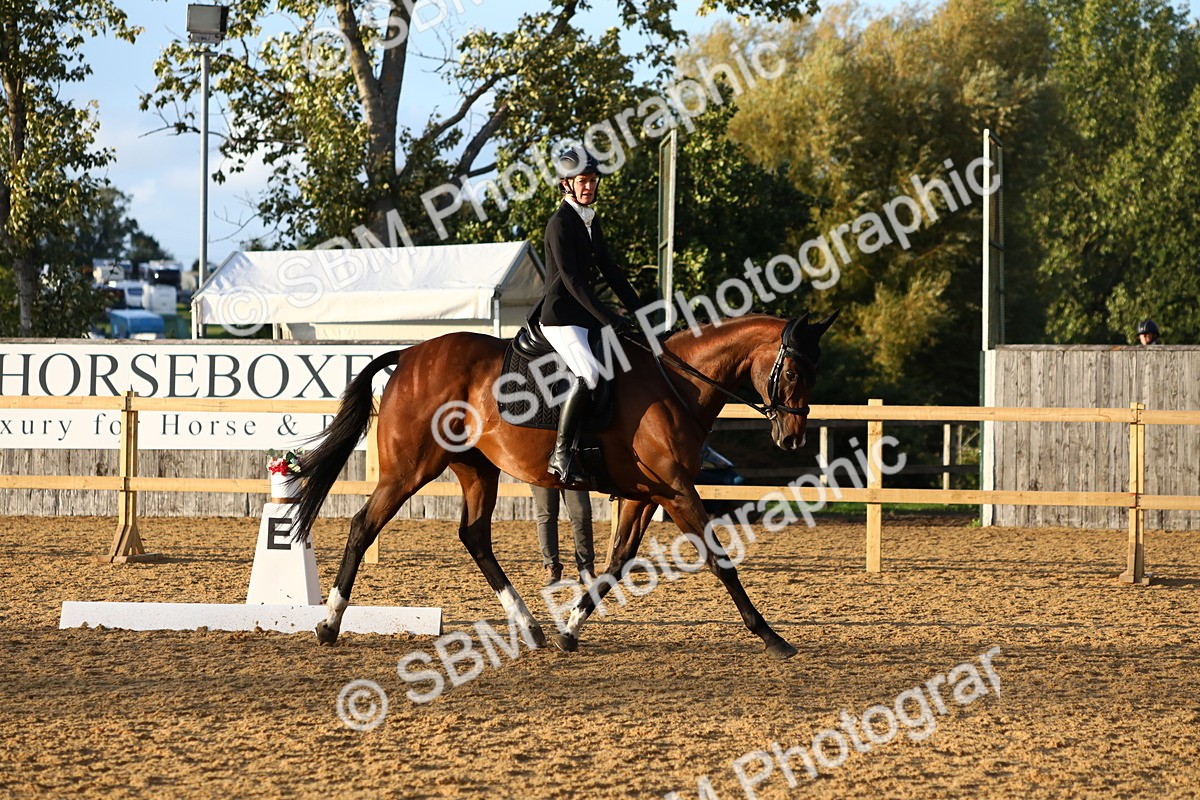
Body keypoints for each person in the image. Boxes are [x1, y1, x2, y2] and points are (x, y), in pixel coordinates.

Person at [535, 146, 644, 483]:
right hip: (560, 316)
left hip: (583, 316)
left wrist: (642, 312)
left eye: (593, 181)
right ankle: (561, 454)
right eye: (583, 181)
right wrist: (609, 317)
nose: (590, 187)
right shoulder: (560, 224)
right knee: (590, 375)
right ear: (567, 184)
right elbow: (572, 282)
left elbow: (611, 271)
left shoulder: (591, 221)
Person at [532, 485, 594, 586]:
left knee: (581, 514)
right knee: (546, 514)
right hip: (542, 470)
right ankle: (551, 566)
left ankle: (586, 568)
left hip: (573, 470)